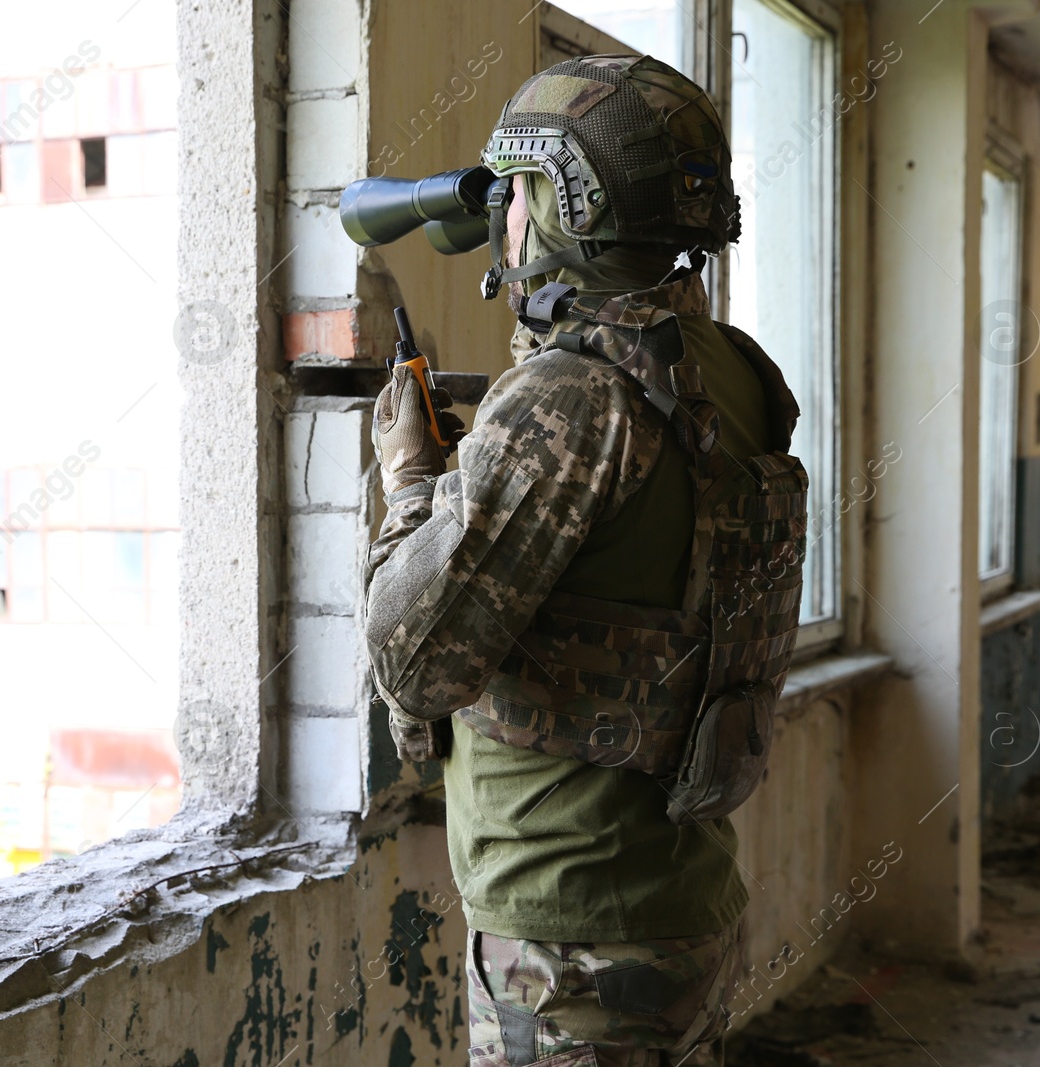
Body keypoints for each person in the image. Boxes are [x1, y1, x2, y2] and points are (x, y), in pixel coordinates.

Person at [362, 54, 810, 1066]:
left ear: (570, 206)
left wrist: (410, 478)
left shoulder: (567, 400)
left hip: (571, 944)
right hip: (684, 903)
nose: (503, 218)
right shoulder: (732, 373)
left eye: (517, 191)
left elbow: (413, 657)